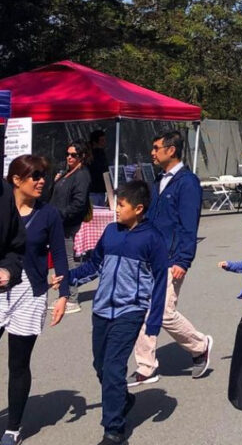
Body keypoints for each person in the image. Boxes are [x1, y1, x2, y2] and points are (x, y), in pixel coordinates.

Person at [70, 180, 168, 445]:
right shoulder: (111, 232)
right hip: (101, 309)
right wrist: (69, 278)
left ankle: (114, 429)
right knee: (101, 366)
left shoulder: (152, 238)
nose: (116, 210)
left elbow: (161, 282)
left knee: (114, 368)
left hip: (130, 311)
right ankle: (123, 399)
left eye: (121, 205)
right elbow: (94, 264)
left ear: (138, 208)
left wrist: (154, 322)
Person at [129, 129, 212, 387]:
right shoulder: (159, 180)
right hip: (149, 256)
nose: (152, 153)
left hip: (171, 258)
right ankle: (146, 366)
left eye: (156, 148)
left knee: (163, 312)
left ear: (171, 150)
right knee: (143, 308)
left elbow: (189, 224)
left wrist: (183, 260)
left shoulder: (187, 182)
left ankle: (200, 345)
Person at [1, 156, 69, 445]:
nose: (42, 181)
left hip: (30, 291)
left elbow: (60, 254)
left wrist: (63, 295)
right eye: (36, 176)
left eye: (44, 175)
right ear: (17, 180)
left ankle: (13, 427)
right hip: (0, 285)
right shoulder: (3, 207)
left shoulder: (48, 213)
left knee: (18, 362)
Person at [50, 140, 92, 280]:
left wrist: (61, 215)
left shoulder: (81, 175)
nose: (69, 157)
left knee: (67, 259)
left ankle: (72, 297)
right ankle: (65, 292)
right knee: (60, 258)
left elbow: (79, 203)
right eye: (67, 154)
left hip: (67, 223)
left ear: (82, 156)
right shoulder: (67, 172)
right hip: (58, 221)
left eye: (73, 155)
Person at [87, 129, 109, 207]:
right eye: (102, 140)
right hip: (93, 191)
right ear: (94, 142)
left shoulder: (102, 153)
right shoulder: (90, 155)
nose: (104, 143)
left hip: (101, 190)